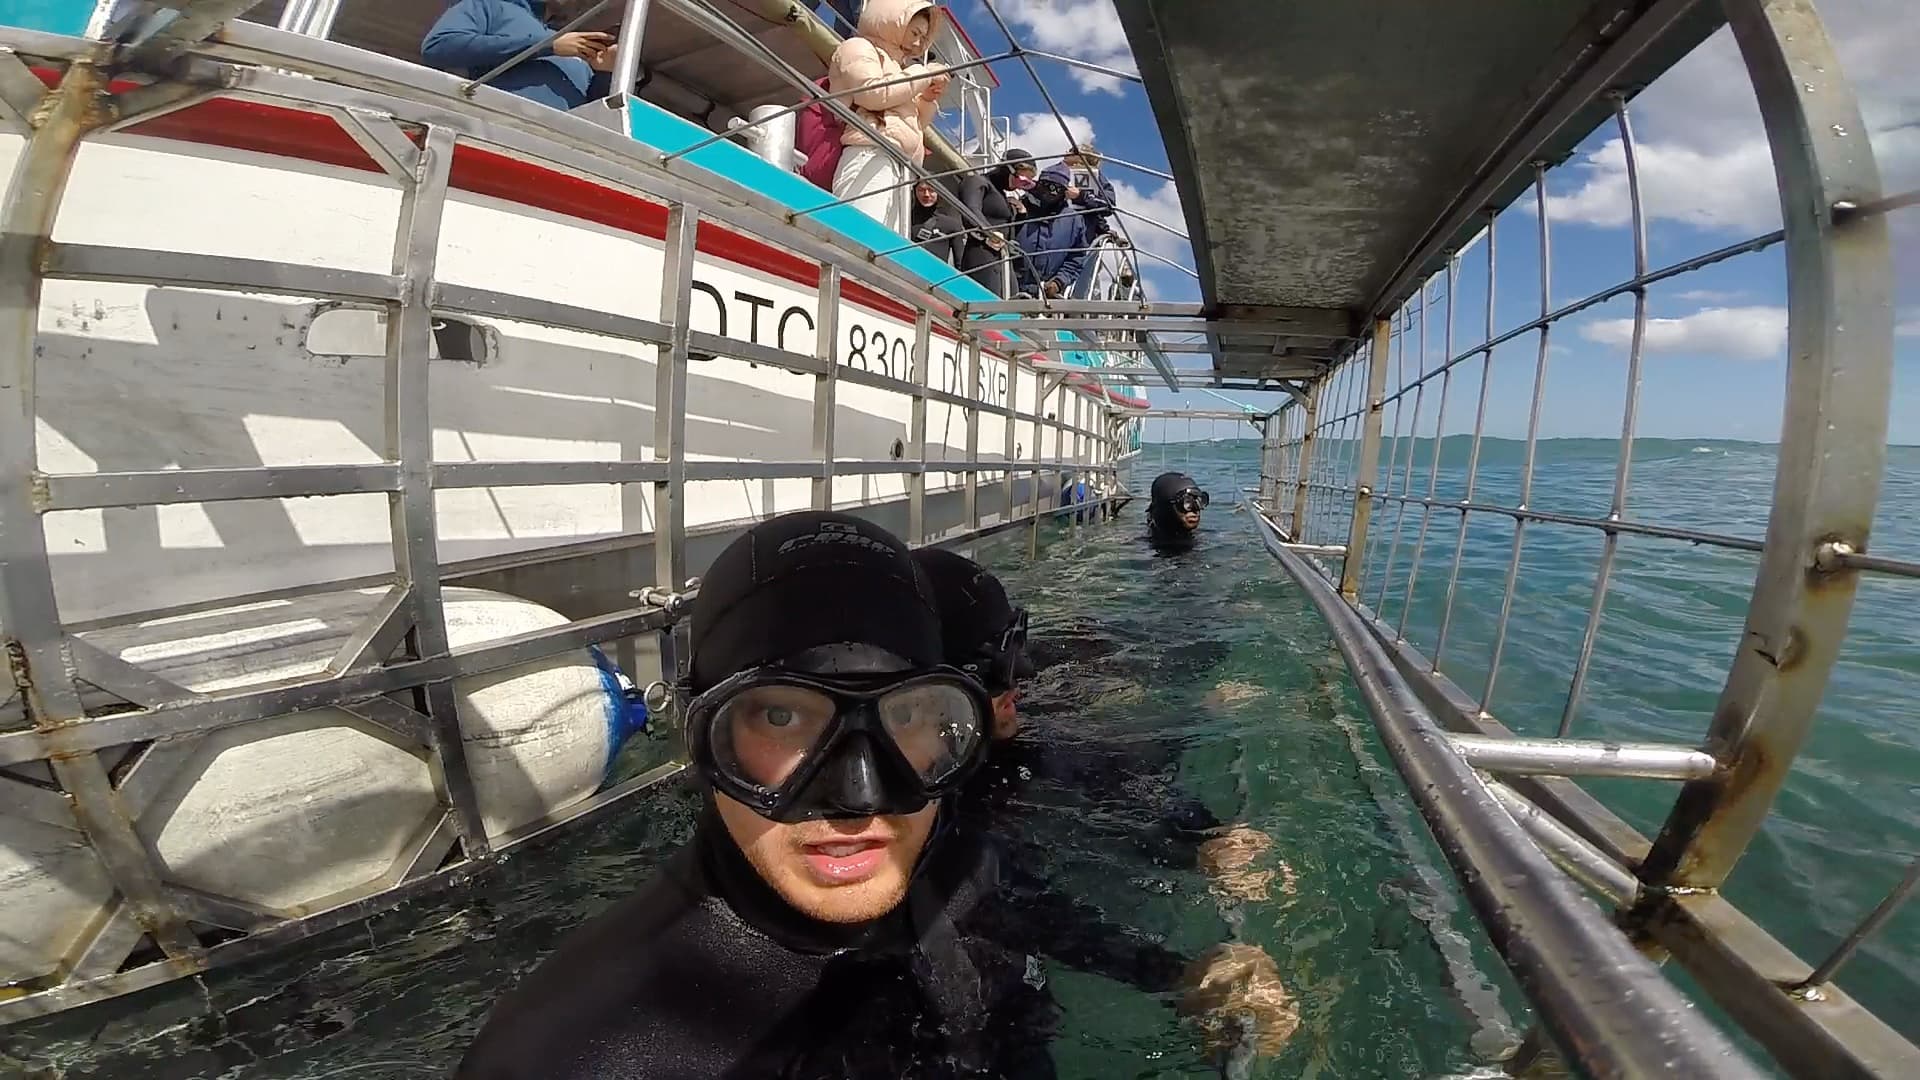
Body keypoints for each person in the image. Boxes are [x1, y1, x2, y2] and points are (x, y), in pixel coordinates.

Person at [456, 510, 1059, 1079]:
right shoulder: (569, 1058)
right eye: (780, 717)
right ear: (702, 738)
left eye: (906, 715)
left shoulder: (969, 871)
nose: (860, 797)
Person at [912, 548, 1300, 1062]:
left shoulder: (1015, 736)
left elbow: (1099, 773)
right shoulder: (924, 809)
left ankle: (1207, 698)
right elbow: (994, 902)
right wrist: (1172, 973)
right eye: (988, 665)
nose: (1014, 679)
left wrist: (1204, 836)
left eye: (1012, 649)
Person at [827, 0, 950, 234]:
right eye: (914, 33)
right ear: (893, 22)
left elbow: (912, 126)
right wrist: (923, 73)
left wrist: (926, 98)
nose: (918, 43)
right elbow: (872, 93)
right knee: (862, 236)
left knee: (884, 245)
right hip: (869, 154)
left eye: (923, 38)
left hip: (898, 167)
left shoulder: (898, 68)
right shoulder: (858, 47)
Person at [421, 0, 617, 112]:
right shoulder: (488, 5)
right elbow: (438, 46)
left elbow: (594, 112)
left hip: (567, 153)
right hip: (502, 134)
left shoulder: (573, 43)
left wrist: (604, 72)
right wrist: (547, 46)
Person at [957, 148, 1034, 295]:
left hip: (1002, 257)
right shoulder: (977, 181)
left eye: (1026, 184)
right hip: (982, 253)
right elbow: (970, 209)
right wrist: (989, 233)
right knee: (987, 300)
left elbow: (1008, 232)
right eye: (1021, 180)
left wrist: (1021, 215)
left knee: (1011, 302)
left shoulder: (1002, 195)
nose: (1019, 186)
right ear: (1008, 169)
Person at [1013, 164, 1090, 299]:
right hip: (1011, 289)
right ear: (1038, 184)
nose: (1052, 192)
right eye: (1047, 185)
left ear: (1065, 192)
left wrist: (1058, 282)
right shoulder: (1017, 208)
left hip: (1046, 296)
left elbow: (1076, 258)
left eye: (1058, 188)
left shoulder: (1074, 221)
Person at [1064, 142, 1118, 239]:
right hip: (1059, 225)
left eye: (1072, 151)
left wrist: (1081, 196)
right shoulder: (1057, 174)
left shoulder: (1098, 179)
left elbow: (1109, 205)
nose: (1066, 153)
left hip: (1086, 229)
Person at [1147, 470, 1209, 550]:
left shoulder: (1203, 537)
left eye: (1199, 501)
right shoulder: (1145, 547)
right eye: (1187, 503)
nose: (1195, 509)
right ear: (1166, 507)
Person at [908, 179, 965, 264]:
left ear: (938, 192)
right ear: (915, 192)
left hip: (936, 272)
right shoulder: (905, 218)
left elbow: (960, 263)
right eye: (921, 190)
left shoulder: (952, 225)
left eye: (931, 190)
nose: (926, 194)